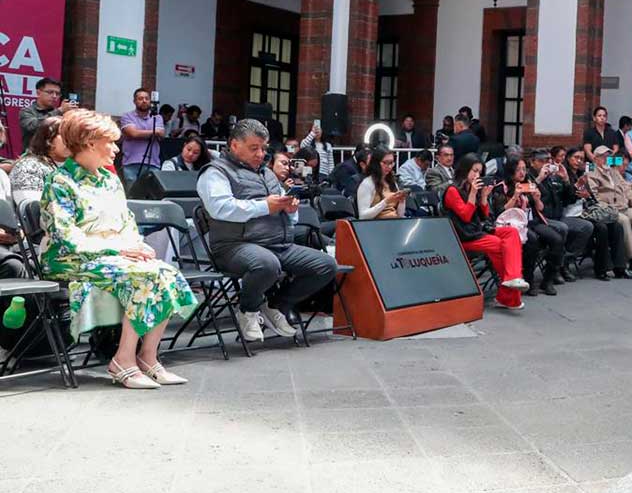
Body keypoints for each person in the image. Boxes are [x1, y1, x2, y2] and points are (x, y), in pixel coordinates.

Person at [41, 109, 197, 388]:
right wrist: (119, 251)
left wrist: (137, 246)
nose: (116, 149)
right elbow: (67, 236)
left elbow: (127, 223)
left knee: (166, 272)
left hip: (111, 256)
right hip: (70, 259)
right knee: (144, 277)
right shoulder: (60, 181)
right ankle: (123, 359)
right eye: (110, 143)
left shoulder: (110, 179)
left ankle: (148, 357)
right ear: (90, 142)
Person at [197, 119, 337, 343]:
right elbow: (220, 208)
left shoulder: (267, 173)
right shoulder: (215, 172)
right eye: (254, 148)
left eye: (263, 148)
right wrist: (265, 206)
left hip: (277, 243)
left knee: (326, 265)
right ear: (234, 145)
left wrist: (290, 210)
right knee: (267, 264)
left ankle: (275, 305)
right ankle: (248, 310)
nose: (261, 154)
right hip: (234, 246)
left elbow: (285, 213)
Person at [442, 154, 529, 310]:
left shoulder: (471, 188)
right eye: (474, 171)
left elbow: (485, 216)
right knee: (501, 246)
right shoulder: (452, 190)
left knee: (511, 233)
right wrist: (473, 193)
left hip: (477, 231)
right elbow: (465, 216)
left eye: (480, 172)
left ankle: (513, 278)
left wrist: (483, 197)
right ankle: (509, 294)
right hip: (462, 236)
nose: (477, 175)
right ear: (465, 170)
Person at [494, 157, 566, 295]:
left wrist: (537, 199)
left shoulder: (528, 184)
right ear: (510, 171)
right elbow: (500, 212)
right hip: (514, 224)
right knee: (532, 241)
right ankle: (529, 279)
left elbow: (540, 208)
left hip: (532, 221)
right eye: (518, 170)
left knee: (557, 239)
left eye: (523, 169)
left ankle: (548, 280)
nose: (522, 173)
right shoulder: (502, 187)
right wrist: (515, 196)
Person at [563, 146, 630, 279]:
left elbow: (591, 196)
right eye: (576, 158)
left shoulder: (583, 173)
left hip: (586, 211)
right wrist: (577, 191)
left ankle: (620, 268)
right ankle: (601, 269)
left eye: (581, 158)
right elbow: (566, 198)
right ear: (568, 159)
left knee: (616, 226)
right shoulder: (564, 175)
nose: (579, 161)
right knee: (601, 228)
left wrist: (587, 196)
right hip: (571, 213)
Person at [529, 149, 591, 279]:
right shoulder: (530, 177)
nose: (545, 164)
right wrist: (539, 179)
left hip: (558, 216)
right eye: (541, 161)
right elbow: (528, 198)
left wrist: (566, 180)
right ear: (532, 162)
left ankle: (566, 260)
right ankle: (556, 269)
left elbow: (569, 198)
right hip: (540, 219)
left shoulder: (554, 177)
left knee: (587, 226)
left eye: (548, 161)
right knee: (562, 228)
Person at [11, 116, 70, 207]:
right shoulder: (29, 167)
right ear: (48, 138)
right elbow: (32, 209)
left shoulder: (77, 167)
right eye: (64, 135)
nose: (70, 141)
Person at [118, 89, 165, 185]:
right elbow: (133, 133)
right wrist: (154, 132)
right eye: (140, 98)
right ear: (134, 101)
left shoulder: (157, 117)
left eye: (147, 98)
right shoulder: (127, 116)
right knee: (132, 193)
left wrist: (139, 133)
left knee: (151, 193)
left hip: (152, 163)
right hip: (131, 163)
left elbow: (161, 134)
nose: (144, 101)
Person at [19, 77, 78, 146]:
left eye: (57, 93)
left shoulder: (60, 113)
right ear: (38, 93)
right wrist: (59, 111)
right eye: (50, 92)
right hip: (34, 151)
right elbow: (33, 127)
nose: (54, 96)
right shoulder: (27, 111)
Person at [357, 148, 408, 220]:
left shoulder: (392, 182)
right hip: (376, 223)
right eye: (385, 163)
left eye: (391, 163)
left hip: (395, 221)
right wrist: (386, 202)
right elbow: (363, 216)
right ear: (376, 163)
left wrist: (402, 201)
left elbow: (400, 215)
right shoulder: (367, 184)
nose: (389, 166)